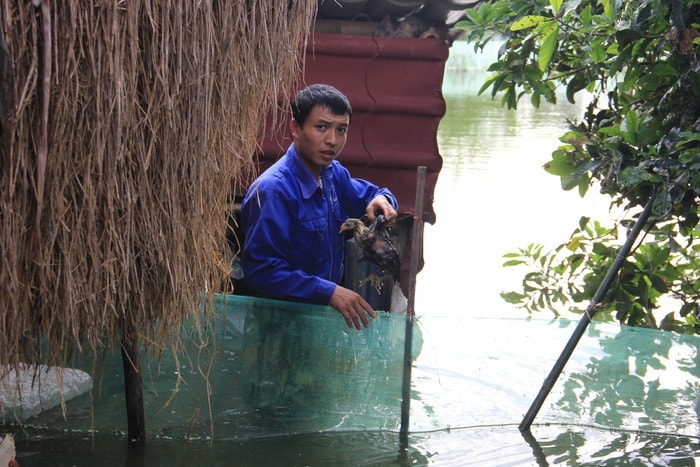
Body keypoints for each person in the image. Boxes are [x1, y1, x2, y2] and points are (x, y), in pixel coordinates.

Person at [241, 83, 398, 330]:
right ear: (296, 128)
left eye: (341, 129)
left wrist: (384, 200)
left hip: (320, 318)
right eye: (321, 127)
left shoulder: (333, 174)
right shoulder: (273, 191)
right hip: (276, 324)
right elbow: (261, 270)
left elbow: (375, 195)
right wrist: (329, 291)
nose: (332, 141)